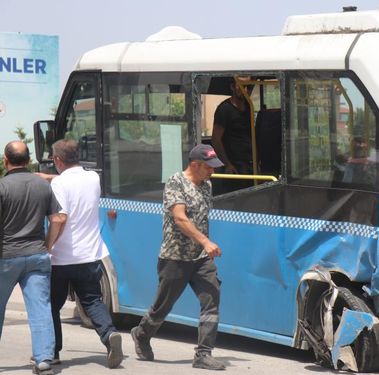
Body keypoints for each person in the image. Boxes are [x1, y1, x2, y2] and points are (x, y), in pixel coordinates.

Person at [131, 144, 225, 371]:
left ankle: (203, 354)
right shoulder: (176, 183)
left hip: (201, 259)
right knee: (163, 306)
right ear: (195, 164)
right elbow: (180, 219)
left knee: (212, 299)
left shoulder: (206, 185)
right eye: (208, 167)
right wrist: (205, 241)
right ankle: (142, 334)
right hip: (175, 257)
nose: (212, 172)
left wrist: (203, 246)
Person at [44, 139, 124, 369]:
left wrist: (47, 247)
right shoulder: (92, 178)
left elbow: (60, 218)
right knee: (92, 300)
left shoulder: (59, 184)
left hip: (62, 257)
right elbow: (74, 183)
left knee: (51, 306)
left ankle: (53, 351)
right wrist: (49, 178)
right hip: (91, 254)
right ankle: (109, 335)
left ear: (57, 160)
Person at [0, 141, 66, 375]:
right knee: (40, 308)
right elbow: (58, 219)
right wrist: (47, 245)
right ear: (28, 161)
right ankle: (44, 360)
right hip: (37, 255)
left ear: (6, 160)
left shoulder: (2, 187)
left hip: (6, 256)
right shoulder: (43, 186)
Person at [212, 77, 253, 192]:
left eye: (248, 86)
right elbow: (216, 140)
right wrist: (227, 164)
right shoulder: (224, 109)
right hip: (234, 166)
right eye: (241, 86)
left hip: (249, 163)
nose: (244, 89)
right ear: (232, 87)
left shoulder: (249, 106)